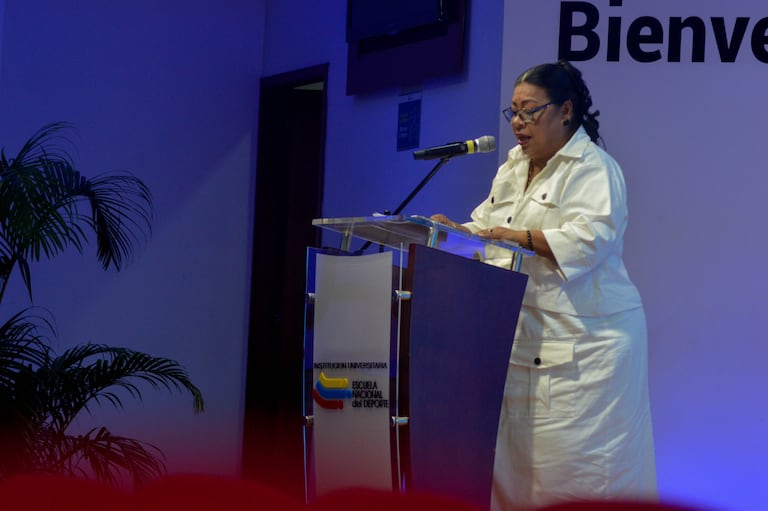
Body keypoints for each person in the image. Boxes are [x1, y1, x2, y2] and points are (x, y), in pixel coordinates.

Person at [431, 60, 657, 509]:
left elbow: (591, 241)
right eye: (513, 112)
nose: (518, 123)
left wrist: (521, 238)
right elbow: (487, 229)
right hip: (524, 345)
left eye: (530, 111)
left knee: (580, 478)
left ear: (565, 110)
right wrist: (450, 230)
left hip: (587, 352)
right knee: (520, 479)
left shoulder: (594, 168)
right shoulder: (514, 167)